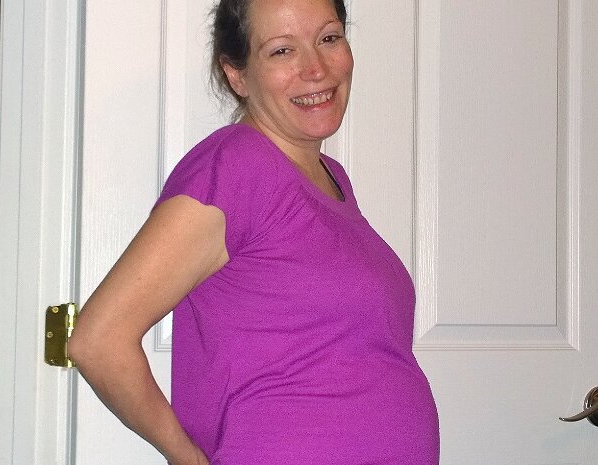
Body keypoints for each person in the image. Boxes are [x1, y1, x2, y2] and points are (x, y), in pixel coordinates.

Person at [68, 0, 440, 463]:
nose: (316, 69)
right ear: (237, 75)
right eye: (282, 50)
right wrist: (187, 457)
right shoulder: (235, 168)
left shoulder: (333, 179)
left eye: (329, 38)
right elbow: (98, 340)